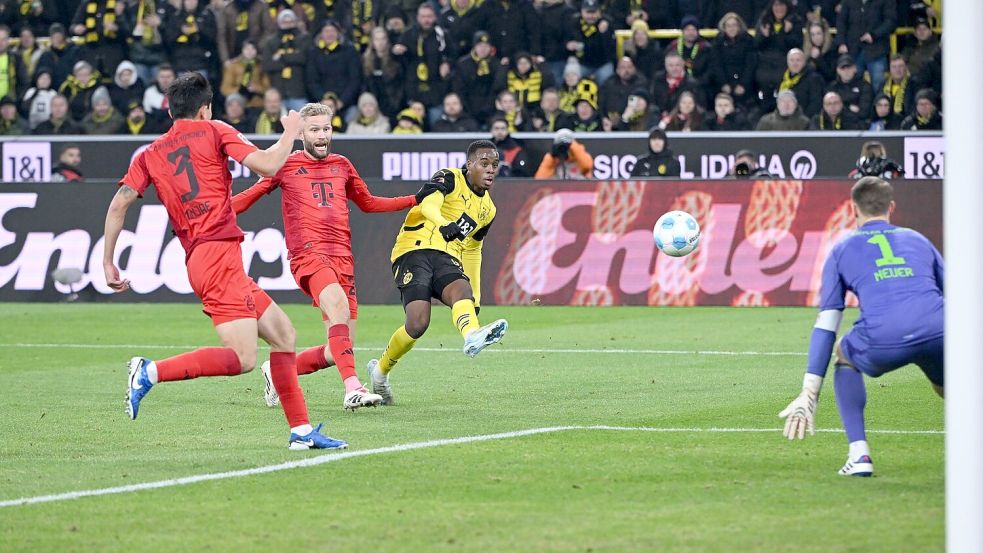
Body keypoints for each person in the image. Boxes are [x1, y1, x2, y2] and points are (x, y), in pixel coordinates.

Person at [102, 72, 346, 450]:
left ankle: (300, 432)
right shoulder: (214, 130)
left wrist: (108, 263)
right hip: (216, 256)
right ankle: (148, 372)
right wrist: (290, 130)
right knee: (243, 358)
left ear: (170, 111)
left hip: (210, 256)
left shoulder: (150, 153)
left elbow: (119, 203)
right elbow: (267, 165)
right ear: (206, 108)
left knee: (283, 335)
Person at [233, 102, 420, 410]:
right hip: (308, 255)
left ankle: (278, 371)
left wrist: (415, 198)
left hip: (343, 258)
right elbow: (246, 198)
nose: (322, 135)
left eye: (326, 129)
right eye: (314, 130)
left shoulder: (342, 165)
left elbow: (369, 203)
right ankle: (353, 389)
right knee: (337, 308)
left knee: (339, 349)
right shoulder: (285, 165)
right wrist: (205, 217)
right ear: (301, 134)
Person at [778, 177, 943, 477]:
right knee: (949, 388)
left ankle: (859, 454)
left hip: (884, 338)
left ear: (854, 209)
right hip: (939, 329)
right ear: (891, 207)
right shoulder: (919, 240)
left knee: (844, 351)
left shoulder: (841, 250)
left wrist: (809, 392)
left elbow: (827, 322)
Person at [366, 140, 510, 405]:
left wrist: (476, 296)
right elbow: (427, 205)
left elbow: (473, 251)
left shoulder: (488, 210)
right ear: (470, 165)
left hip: (447, 257)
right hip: (414, 250)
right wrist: (444, 223)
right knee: (417, 324)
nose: (490, 170)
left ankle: (472, 336)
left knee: (462, 291)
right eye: (484, 163)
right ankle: (380, 372)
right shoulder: (450, 177)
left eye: (494, 165)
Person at [835, 0, 896, 93]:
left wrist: (874, 35)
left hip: (877, 49)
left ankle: (880, 106)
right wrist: (841, 42)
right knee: (851, 83)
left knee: (878, 82)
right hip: (853, 50)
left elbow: (890, 21)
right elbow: (841, 22)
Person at [826, 54, 872, 122]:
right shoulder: (832, 87)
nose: (846, 71)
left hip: (857, 125)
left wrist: (840, 107)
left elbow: (864, 112)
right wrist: (849, 107)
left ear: (855, 68)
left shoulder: (864, 86)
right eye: (843, 68)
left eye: (849, 68)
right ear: (838, 70)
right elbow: (828, 109)